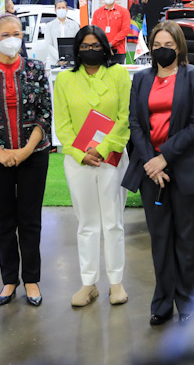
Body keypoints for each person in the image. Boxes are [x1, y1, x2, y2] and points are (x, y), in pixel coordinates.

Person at [123, 21, 194, 326]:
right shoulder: (141, 79)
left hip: (186, 168)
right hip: (152, 172)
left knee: (187, 240)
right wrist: (152, 162)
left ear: (179, 47)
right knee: (160, 240)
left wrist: (164, 157)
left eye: (168, 45)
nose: (161, 50)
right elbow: (135, 124)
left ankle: (191, 305)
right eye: (157, 45)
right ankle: (162, 303)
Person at [0, 14, 52, 307]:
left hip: (33, 155)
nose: (11, 39)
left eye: (16, 33)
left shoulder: (36, 69)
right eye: (5, 34)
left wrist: (26, 150)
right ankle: (9, 280)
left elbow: (45, 113)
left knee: (30, 220)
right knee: (3, 221)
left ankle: (31, 279)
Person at [54, 26, 132, 308]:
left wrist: (102, 148)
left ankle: (116, 283)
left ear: (105, 47)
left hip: (111, 158)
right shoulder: (65, 79)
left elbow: (125, 117)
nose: (90, 50)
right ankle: (89, 283)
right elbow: (62, 124)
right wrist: (80, 153)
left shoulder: (119, 74)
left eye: (96, 45)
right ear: (77, 50)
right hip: (79, 162)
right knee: (86, 224)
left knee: (113, 222)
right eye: (85, 46)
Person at [91, 0, 131, 65]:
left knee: (117, 72)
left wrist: (111, 44)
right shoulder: (97, 13)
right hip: (101, 50)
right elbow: (94, 31)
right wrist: (104, 45)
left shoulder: (124, 12)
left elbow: (125, 30)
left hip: (118, 51)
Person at [43, 0, 80, 67]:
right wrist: (59, 58)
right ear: (55, 10)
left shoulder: (74, 25)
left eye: (63, 7)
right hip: (54, 62)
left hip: (71, 61)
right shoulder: (49, 26)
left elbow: (77, 42)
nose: (61, 9)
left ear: (67, 9)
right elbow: (48, 44)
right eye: (59, 8)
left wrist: (69, 57)